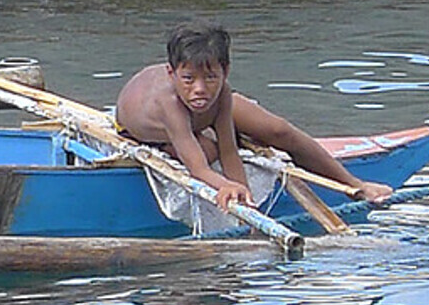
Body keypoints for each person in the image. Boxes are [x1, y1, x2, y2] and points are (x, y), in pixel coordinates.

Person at [115, 21, 393, 211]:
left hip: (199, 117)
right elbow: (198, 169)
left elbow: (230, 151)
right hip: (157, 128)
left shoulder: (220, 92)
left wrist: (244, 195)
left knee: (278, 130)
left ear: (226, 72)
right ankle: (177, 142)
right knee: (205, 149)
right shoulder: (169, 102)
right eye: (188, 79)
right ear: (172, 74)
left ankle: (356, 183)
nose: (199, 89)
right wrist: (225, 186)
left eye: (211, 77)